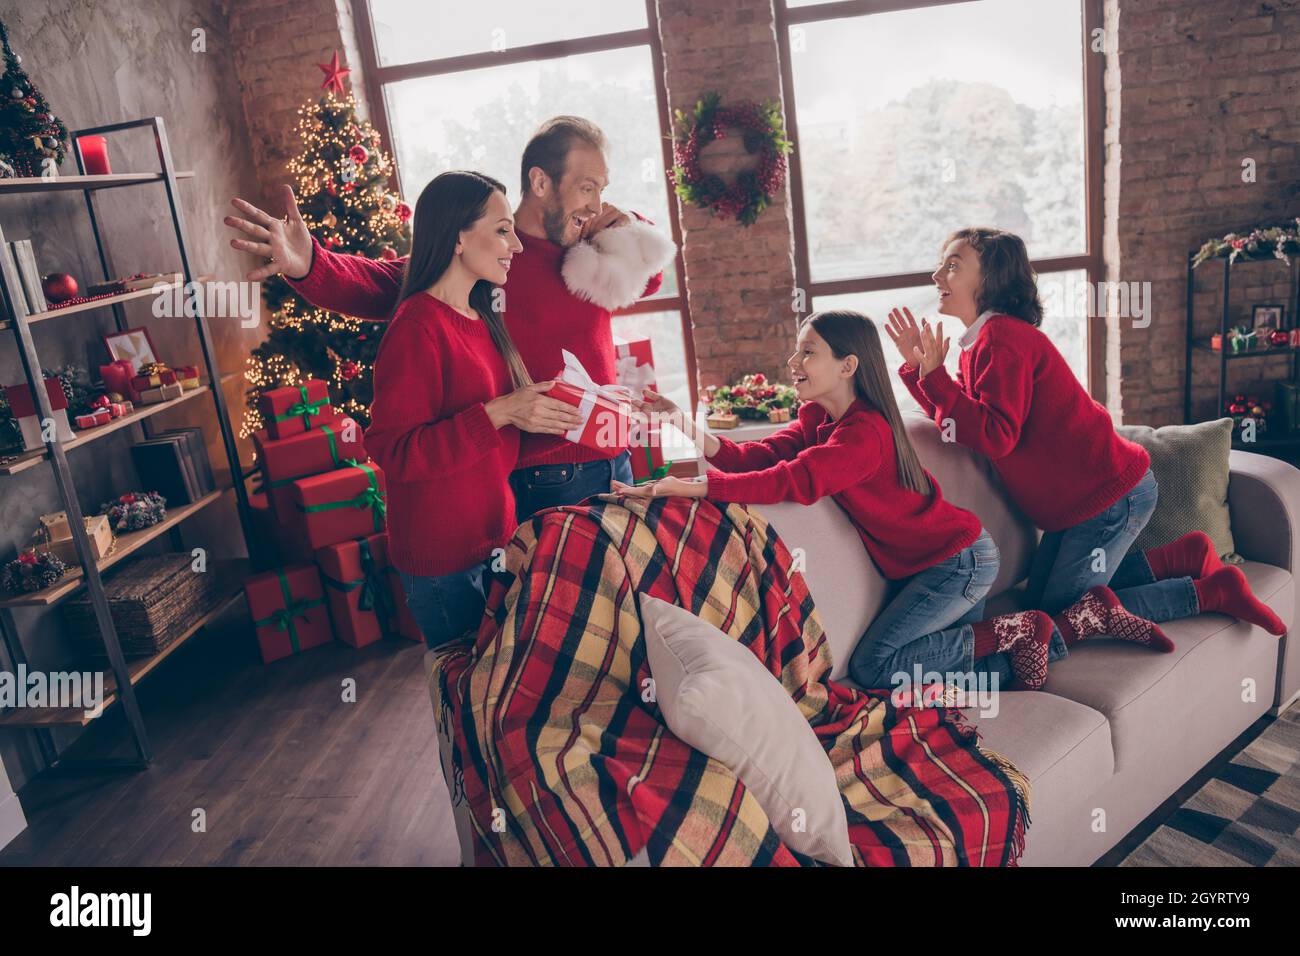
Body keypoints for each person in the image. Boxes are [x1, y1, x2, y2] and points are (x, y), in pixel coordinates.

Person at [225, 116, 675, 522]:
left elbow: (649, 282)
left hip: (615, 452)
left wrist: (628, 225)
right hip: (551, 472)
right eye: (587, 187)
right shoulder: (490, 254)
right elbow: (387, 283)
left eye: (602, 188)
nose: (597, 205)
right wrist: (310, 264)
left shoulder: (589, 248)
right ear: (540, 182)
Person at [889, 226, 1284, 667]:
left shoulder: (1003, 341)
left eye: (953, 264)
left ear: (991, 278)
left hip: (1109, 498)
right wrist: (920, 371)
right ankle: (1182, 556)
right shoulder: (980, 345)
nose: (937, 273)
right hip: (1075, 507)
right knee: (1038, 607)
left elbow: (996, 435)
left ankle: (1208, 591)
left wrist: (935, 377)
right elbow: (959, 425)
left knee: (1067, 617)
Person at [618, 310, 1057, 691]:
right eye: (797, 351)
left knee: (875, 666)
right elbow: (750, 458)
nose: (793, 362)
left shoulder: (864, 434)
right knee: (945, 672)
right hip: (938, 563)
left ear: (848, 365)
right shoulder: (818, 419)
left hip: (959, 563)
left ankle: (1020, 629)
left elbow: (794, 480)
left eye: (808, 352)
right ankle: (1043, 641)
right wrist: (681, 423)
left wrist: (690, 488)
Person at [358, 170, 583, 648]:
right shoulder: (417, 326)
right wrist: (499, 412)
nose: (516, 247)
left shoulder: (481, 316)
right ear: (457, 237)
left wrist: (561, 406)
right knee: (467, 701)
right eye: (502, 231)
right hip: (444, 561)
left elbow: (494, 427)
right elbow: (395, 450)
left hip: (496, 539)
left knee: (494, 694)